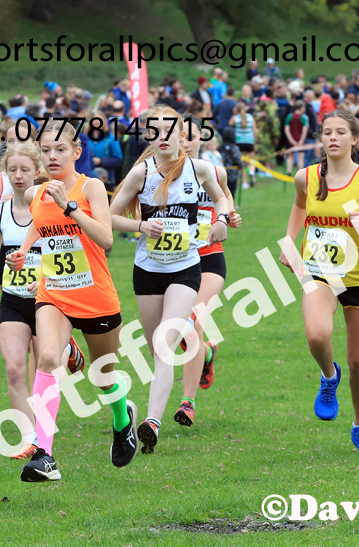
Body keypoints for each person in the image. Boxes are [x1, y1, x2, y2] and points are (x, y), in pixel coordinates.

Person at [5, 119, 138, 481]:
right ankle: (45, 455)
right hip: (55, 294)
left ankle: (122, 418)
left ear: (76, 152)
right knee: (47, 358)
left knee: (103, 375)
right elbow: (39, 221)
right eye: (45, 150)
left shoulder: (91, 187)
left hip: (96, 297)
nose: (51, 156)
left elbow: (106, 239)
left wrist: (71, 208)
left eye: (60, 149)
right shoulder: (37, 192)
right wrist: (24, 250)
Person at [109, 105, 229, 454]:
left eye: (169, 130)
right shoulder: (140, 175)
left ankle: (152, 423)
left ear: (181, 135)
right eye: (155, 131)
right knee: (156, 350)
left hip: (185, 269)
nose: (162, 137)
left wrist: (221, 217)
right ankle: (147, 416)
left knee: (164, 345)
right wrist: (141, 226)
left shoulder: (200, 169)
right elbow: (111, 216)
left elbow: (221, 195)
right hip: (147, 272)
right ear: (148, 135)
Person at [0, 141, 85, 461]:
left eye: (25, 170)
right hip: (13, 301)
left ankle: (44, 436)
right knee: (15, 370)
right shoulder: (0, 211)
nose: (18, 176)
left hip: (48, 300)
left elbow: (67, 254)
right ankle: (31, 436)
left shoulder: (50, 208)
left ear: (37, 172)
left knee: (43, 371)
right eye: (12, 170)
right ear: (5, 172)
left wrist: (44, 280)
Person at [279, 109, 359, 453]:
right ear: (321, 139)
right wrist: (289, 241)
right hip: (318, 272)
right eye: (327, 132)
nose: (333, 138)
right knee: (316, 334)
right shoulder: (306, 177)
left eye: (341, 132)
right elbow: (300, 207)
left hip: (358, 277)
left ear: (355, 139)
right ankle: (329, 376)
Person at [175, 114, 241, 422]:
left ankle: (187, 402)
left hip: (210, 258)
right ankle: (208, 352)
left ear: (203, 138)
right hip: (175, 261)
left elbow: (225, 198)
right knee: (180, 332)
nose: (186, 141)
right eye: (181, 136)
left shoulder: (215, 171)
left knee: (192, 323)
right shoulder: (164, 176)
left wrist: (228, 217)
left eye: (191, 136)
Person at [229, 102, 256, 189]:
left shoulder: (236, 118)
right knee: (251, 161)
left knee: (242, 164)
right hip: (249, 142)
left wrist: (234, 114)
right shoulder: (250, 117)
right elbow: (254, 130)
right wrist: (254, 140)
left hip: (239, 142)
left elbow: (230, 123)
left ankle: (244, 182)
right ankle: (251, 172)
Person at [285, 101, 310, 176]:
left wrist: (291, 140)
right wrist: (301, 141)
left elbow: (286, 129)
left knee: (290, 156)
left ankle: (289, 172)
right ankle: (299, 173)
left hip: (291, 140)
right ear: (302, 108)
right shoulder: (304, 117)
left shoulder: (290, 116)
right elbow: (304, 130)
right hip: (300, 140)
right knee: (300, 157)